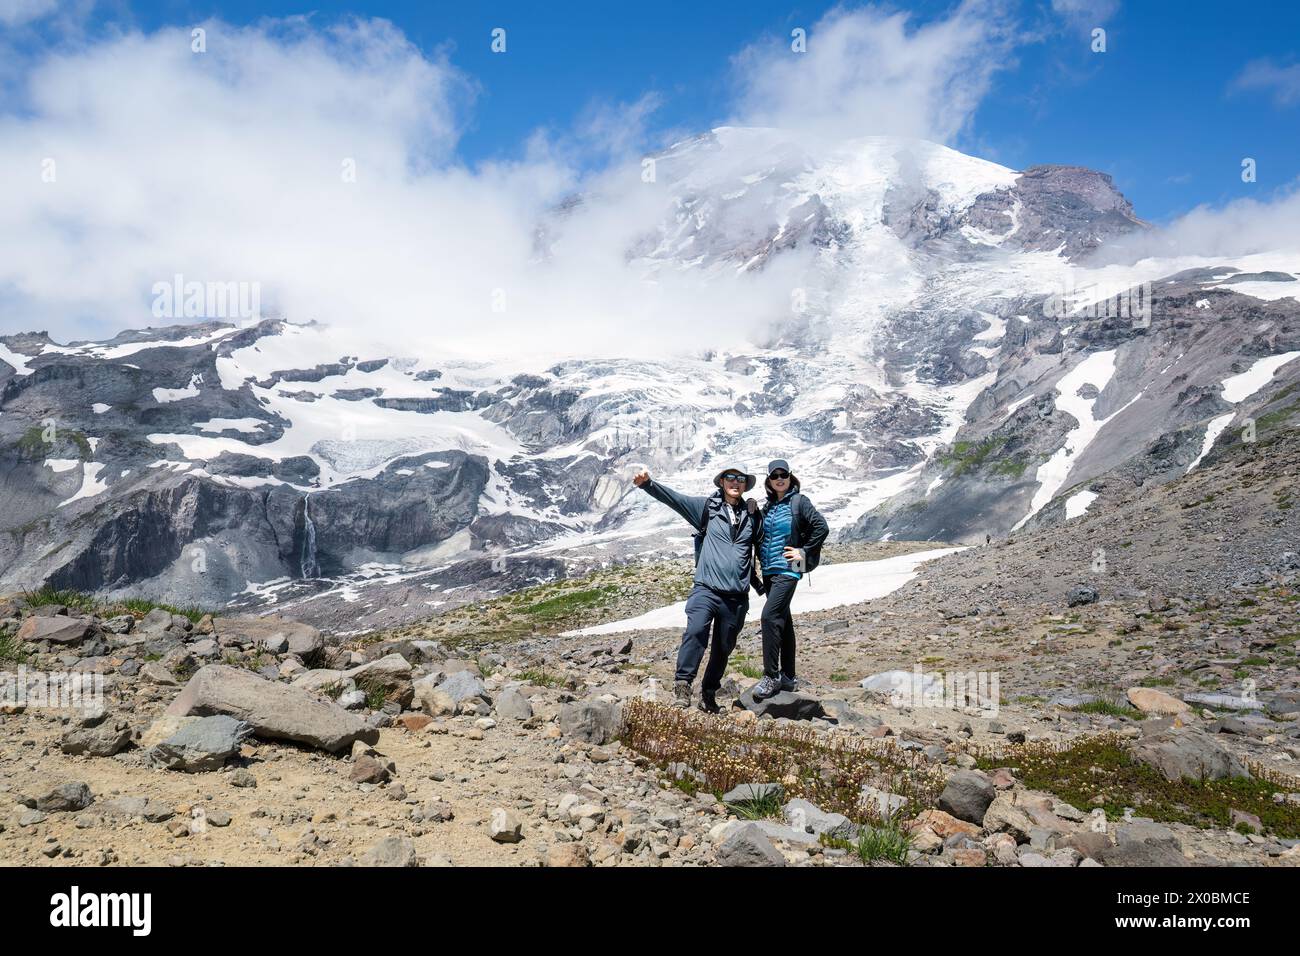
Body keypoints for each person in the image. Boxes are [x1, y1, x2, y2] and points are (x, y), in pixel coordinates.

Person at [633, 463, 759, 713]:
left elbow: (766, 545)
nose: (735, 482)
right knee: (696, 631)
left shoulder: (753, 515)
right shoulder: (706, 508)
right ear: (721, 482)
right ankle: (683, 685)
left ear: (745, 485)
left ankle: (709, 693)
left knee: (724, 647)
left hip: (736, 596)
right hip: (706, 588)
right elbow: (675, 500)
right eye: (730, 477)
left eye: (740, 479)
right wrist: (648, 484)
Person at [751, 459, 828, 701]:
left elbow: (821, 527)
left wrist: (803, 552)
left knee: (769, 616)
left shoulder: (799, 502)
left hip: (790, 567)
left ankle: (771, 676)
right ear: (769, 481)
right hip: (770, 570)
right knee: (783, 620)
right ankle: (789, 676)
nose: (780, 478)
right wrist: (752, 513)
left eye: (784, 474)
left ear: (790, 477)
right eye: (775, 475)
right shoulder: (768, 508)